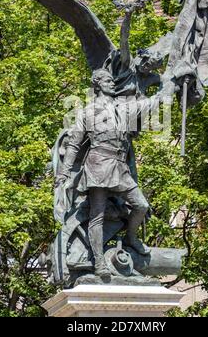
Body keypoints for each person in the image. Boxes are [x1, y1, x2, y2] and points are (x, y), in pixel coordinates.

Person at [56, 68, 168, 279]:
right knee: (96, 217)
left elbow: (146, 105)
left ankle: (132, 238)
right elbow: (73, 144)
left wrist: (166, 92)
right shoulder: (88, 111)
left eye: (111, 80)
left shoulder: (122, 108)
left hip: (119, 166)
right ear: (97, 84)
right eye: (107, 81)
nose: (112, 84)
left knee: (141, 205)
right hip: (98, 164)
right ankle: (99, 262)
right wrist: (63, 173)